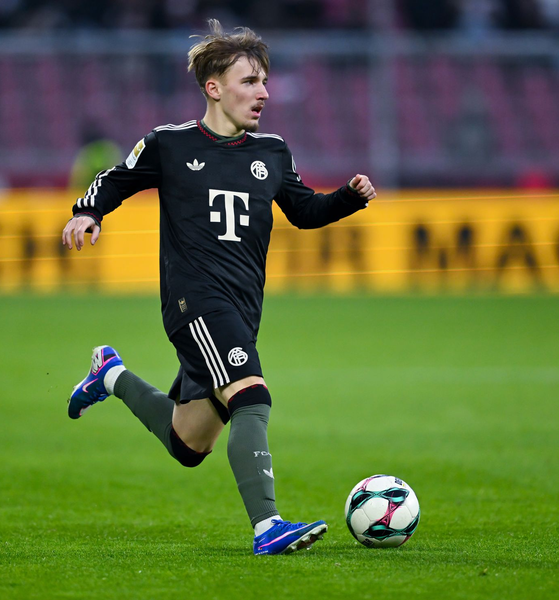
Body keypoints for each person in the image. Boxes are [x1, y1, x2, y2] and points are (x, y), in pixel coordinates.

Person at [61, 19, 376, 556]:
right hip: (194, 302)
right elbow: (115, 178)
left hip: (242, 308)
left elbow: (303, 211)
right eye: (250, 81)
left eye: (264, 81)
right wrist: (87, 211)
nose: (264, 92)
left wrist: (346, 197)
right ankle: (267, 526)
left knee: (188, 443)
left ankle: (109, 374)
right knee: (252, 395)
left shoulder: (272, 151)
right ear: (214, 88)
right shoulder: (169, 144)